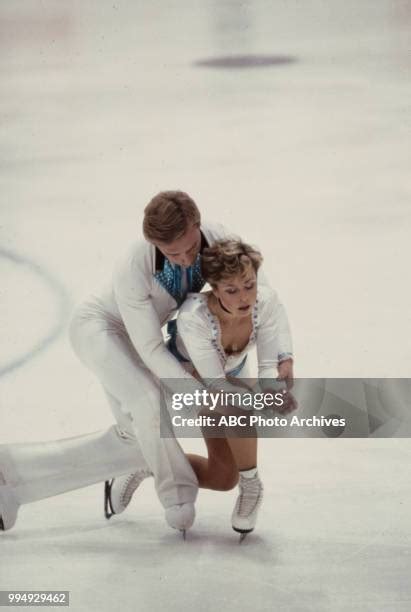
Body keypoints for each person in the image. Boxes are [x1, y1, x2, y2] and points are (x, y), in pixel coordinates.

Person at [0, 191, 294, 535]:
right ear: (154, 243)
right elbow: (152, 348)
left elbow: (262, 295)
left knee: (136, 436)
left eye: (189, 247)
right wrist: (202, 397)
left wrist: (281, 360)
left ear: (198, 225)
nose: (185, 259)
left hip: (150, 338)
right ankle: (177, 495)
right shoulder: (132, 266)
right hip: (103, 330)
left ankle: (12, 474)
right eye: (173, 253)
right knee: (147, 404)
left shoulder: (219, 238)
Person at [167, 238, 295, 537]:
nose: (243, 297)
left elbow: (265, 368)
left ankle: (151, 465)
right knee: (238, 404)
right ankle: (252, 484)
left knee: (223, 477)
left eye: (249, 284)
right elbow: (213, 383)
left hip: (226, 380)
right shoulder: (193, 316)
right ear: (214, 287)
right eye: (231, 290)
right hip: (184, 380)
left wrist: (275, 390)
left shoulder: (266, 302)